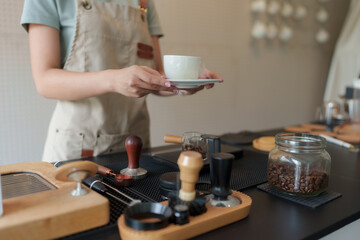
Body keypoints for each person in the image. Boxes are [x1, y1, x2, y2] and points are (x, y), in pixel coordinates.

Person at [21, 0, 223, 162]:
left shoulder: (144, 2)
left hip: (136, 144)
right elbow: (44, 80)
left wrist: (183, 83)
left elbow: (156, 75)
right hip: (79, 148)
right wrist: (113, 80)